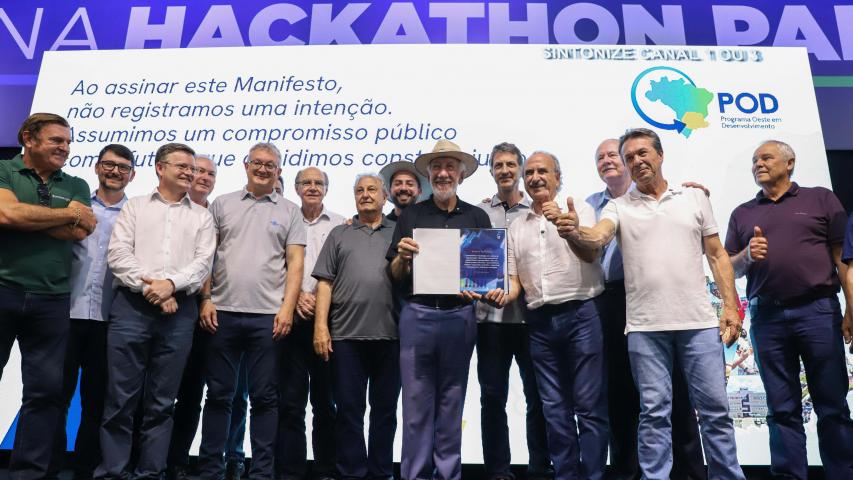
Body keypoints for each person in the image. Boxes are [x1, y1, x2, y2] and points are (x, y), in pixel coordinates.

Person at [560, 128, 744, 479]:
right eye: (629, 157)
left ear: (660, 155)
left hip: (699, 324)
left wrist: (731, 308)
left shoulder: (693, 197)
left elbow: (717, 255)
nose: (637, 161)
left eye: (643, 153)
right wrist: (575, 231)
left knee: (716, 413)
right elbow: (598, 236)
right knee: (654, 414)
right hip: (645, 329)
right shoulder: (618, 206)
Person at [726, 140, 853, 479]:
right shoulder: (742, 213)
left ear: (790, 163)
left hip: (818, 312)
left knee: (832, 405)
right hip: (767, 318)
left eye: (766, 158)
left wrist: (851, 308)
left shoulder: (820, 199)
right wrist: (747, 255)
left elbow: (842, 257)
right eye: (754, 160)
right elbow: (730, 268)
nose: (758, 164)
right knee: (781, 408)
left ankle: (843, 473)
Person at [585, 138, 706, 480]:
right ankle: (627, 471)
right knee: (619, 389)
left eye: (613, 155)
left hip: (659, 296)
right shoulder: (589, 205)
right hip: (611, 301)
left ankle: (688, 472)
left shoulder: (672, 196)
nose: (607, 161)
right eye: (600, 157)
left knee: (675, 388)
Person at [485, 151, 608, 479]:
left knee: (589, 406)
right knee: (554, 409)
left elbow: (592, 253)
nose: (535, 177)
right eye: (530, 173)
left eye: (543, 171)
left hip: (582, 315)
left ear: (557, 177)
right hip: (538, 323)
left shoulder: (579, 209)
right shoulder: (517, 226)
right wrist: (502, 295)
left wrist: (570, 230)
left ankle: (594, 475)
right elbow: (514, 280)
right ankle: (566, 474)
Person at [97, 143, 215, 480]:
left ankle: (150, 473)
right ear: (160, 168)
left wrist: (171, 285)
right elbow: (119, 255)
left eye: (192, 168)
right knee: (120, 399)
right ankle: (112, 472)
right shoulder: (135, 207)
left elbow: (202, 264)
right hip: (131, 308)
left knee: (162, 403)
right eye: (182, 166)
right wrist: (154, 290)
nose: (190, 173)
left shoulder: (202, 216)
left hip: (180, 312)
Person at [198, 142, 305, 480]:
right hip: (222, 313)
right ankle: (210, 470)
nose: (262, 169)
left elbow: (296, 264)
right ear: (246, 165)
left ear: (279, 171)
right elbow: (207, 256)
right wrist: (205, 298)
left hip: (269, 318)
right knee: (218, 396)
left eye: (270, 165)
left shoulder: (290, 210)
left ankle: (261, 473)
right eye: (256, 163)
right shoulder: (222, 204)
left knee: (265, 399)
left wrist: (287, 309)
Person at [387, 139, 492, 480]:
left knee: (452, 401)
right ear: (429, 174)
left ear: (461, 174)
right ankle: (415, 475)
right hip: (417, 314)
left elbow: (485, 275)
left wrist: (480, 286)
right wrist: (403, 258)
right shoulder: (412, 215)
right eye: (437, 167)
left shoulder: (477, 216)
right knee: (415, 405)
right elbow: (395, 273)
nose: (443, 173)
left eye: (449, 167)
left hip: (460, 315)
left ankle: (448, 474)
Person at [0, 113, 96, 479]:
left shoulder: (76, 183)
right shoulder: (4, 171)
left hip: (52, 299)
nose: (65, 148)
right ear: (29, 138)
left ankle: (30, 473)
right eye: (57, 140)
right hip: (3, 289)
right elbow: (7, 215)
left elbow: (82, 229)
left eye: (68, 142)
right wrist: (64, 214)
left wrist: (27, 218)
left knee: (45, 393)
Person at [49, 144, 136, 480]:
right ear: (97, 167)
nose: (115, 172)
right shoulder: (74, 207)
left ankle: (86, 469)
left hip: (110, 320)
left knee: (97, 402)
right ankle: (50, 466)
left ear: (132, 175)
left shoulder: (136, 216)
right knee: (55, 396)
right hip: (65, 314)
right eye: (109, 165)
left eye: (123, 167)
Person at [313, 173, 400, 480]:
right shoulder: (339, 233)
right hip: (345, 337)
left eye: (372, 189)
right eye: (360, 190)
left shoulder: (400, 232)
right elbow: (324, 283)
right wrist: (320, 328)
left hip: (392, 336)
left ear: (385, 196)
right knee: (349, 412)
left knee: (385, 413)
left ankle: (381, 473)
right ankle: (351, 472)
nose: (365, 194)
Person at [474, 143, 551, 480]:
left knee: (539, 397)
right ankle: (498, 471)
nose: (504, 170)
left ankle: (540, 467)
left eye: (510, 164)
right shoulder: (477, 213)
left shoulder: (537, 210)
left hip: (532, 318)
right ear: (491, 170)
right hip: (489, 320)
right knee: (492, 398)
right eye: (498, 165)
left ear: (519, 168)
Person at [276, 166, 343, 480]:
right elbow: (272, 265)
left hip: (327, 322)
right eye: (306, 182)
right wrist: (296, 297)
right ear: (296, 188)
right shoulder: (285, 220)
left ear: (326, 189)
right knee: (290, 404)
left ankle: (326, 470)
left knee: (325, 403)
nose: (313, 187)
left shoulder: (341, 224)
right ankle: (291, 472)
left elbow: (344, 270)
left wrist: (317, 299)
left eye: (319, 183)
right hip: (289, 319)